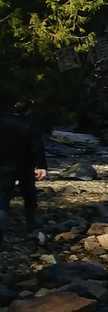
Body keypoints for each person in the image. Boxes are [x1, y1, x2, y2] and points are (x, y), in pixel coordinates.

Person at [0, 98, 48, 234]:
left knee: (4, 195)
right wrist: (41, 166)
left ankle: (0, 225)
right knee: (29, 194)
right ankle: (31, 223)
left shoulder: (3, 123)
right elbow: (36, 147)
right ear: (28, 110)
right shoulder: (30, 125)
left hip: (4, 165)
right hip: (25, 166)